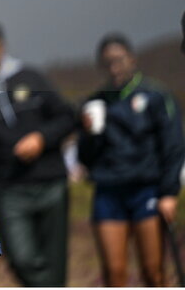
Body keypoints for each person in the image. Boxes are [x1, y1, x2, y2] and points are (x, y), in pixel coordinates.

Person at [0, 21, 75, 286]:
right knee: (21, 258)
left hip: (50, 184)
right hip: (7, 190)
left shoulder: (31, 78)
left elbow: (66, 116)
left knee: (55, 262)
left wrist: (41, 138)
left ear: (2, 47)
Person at [78, 33, 185, 287]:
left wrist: (169, 192)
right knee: (114, 274)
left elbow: (173, 145)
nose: (113, 67)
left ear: (131, 59)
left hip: (146, 190)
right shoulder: (95, 101)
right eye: (107, 62)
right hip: (108, 191)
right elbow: (85, 158)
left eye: (118, 60)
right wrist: (89, 133)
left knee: (153, 271)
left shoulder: (156, 95)